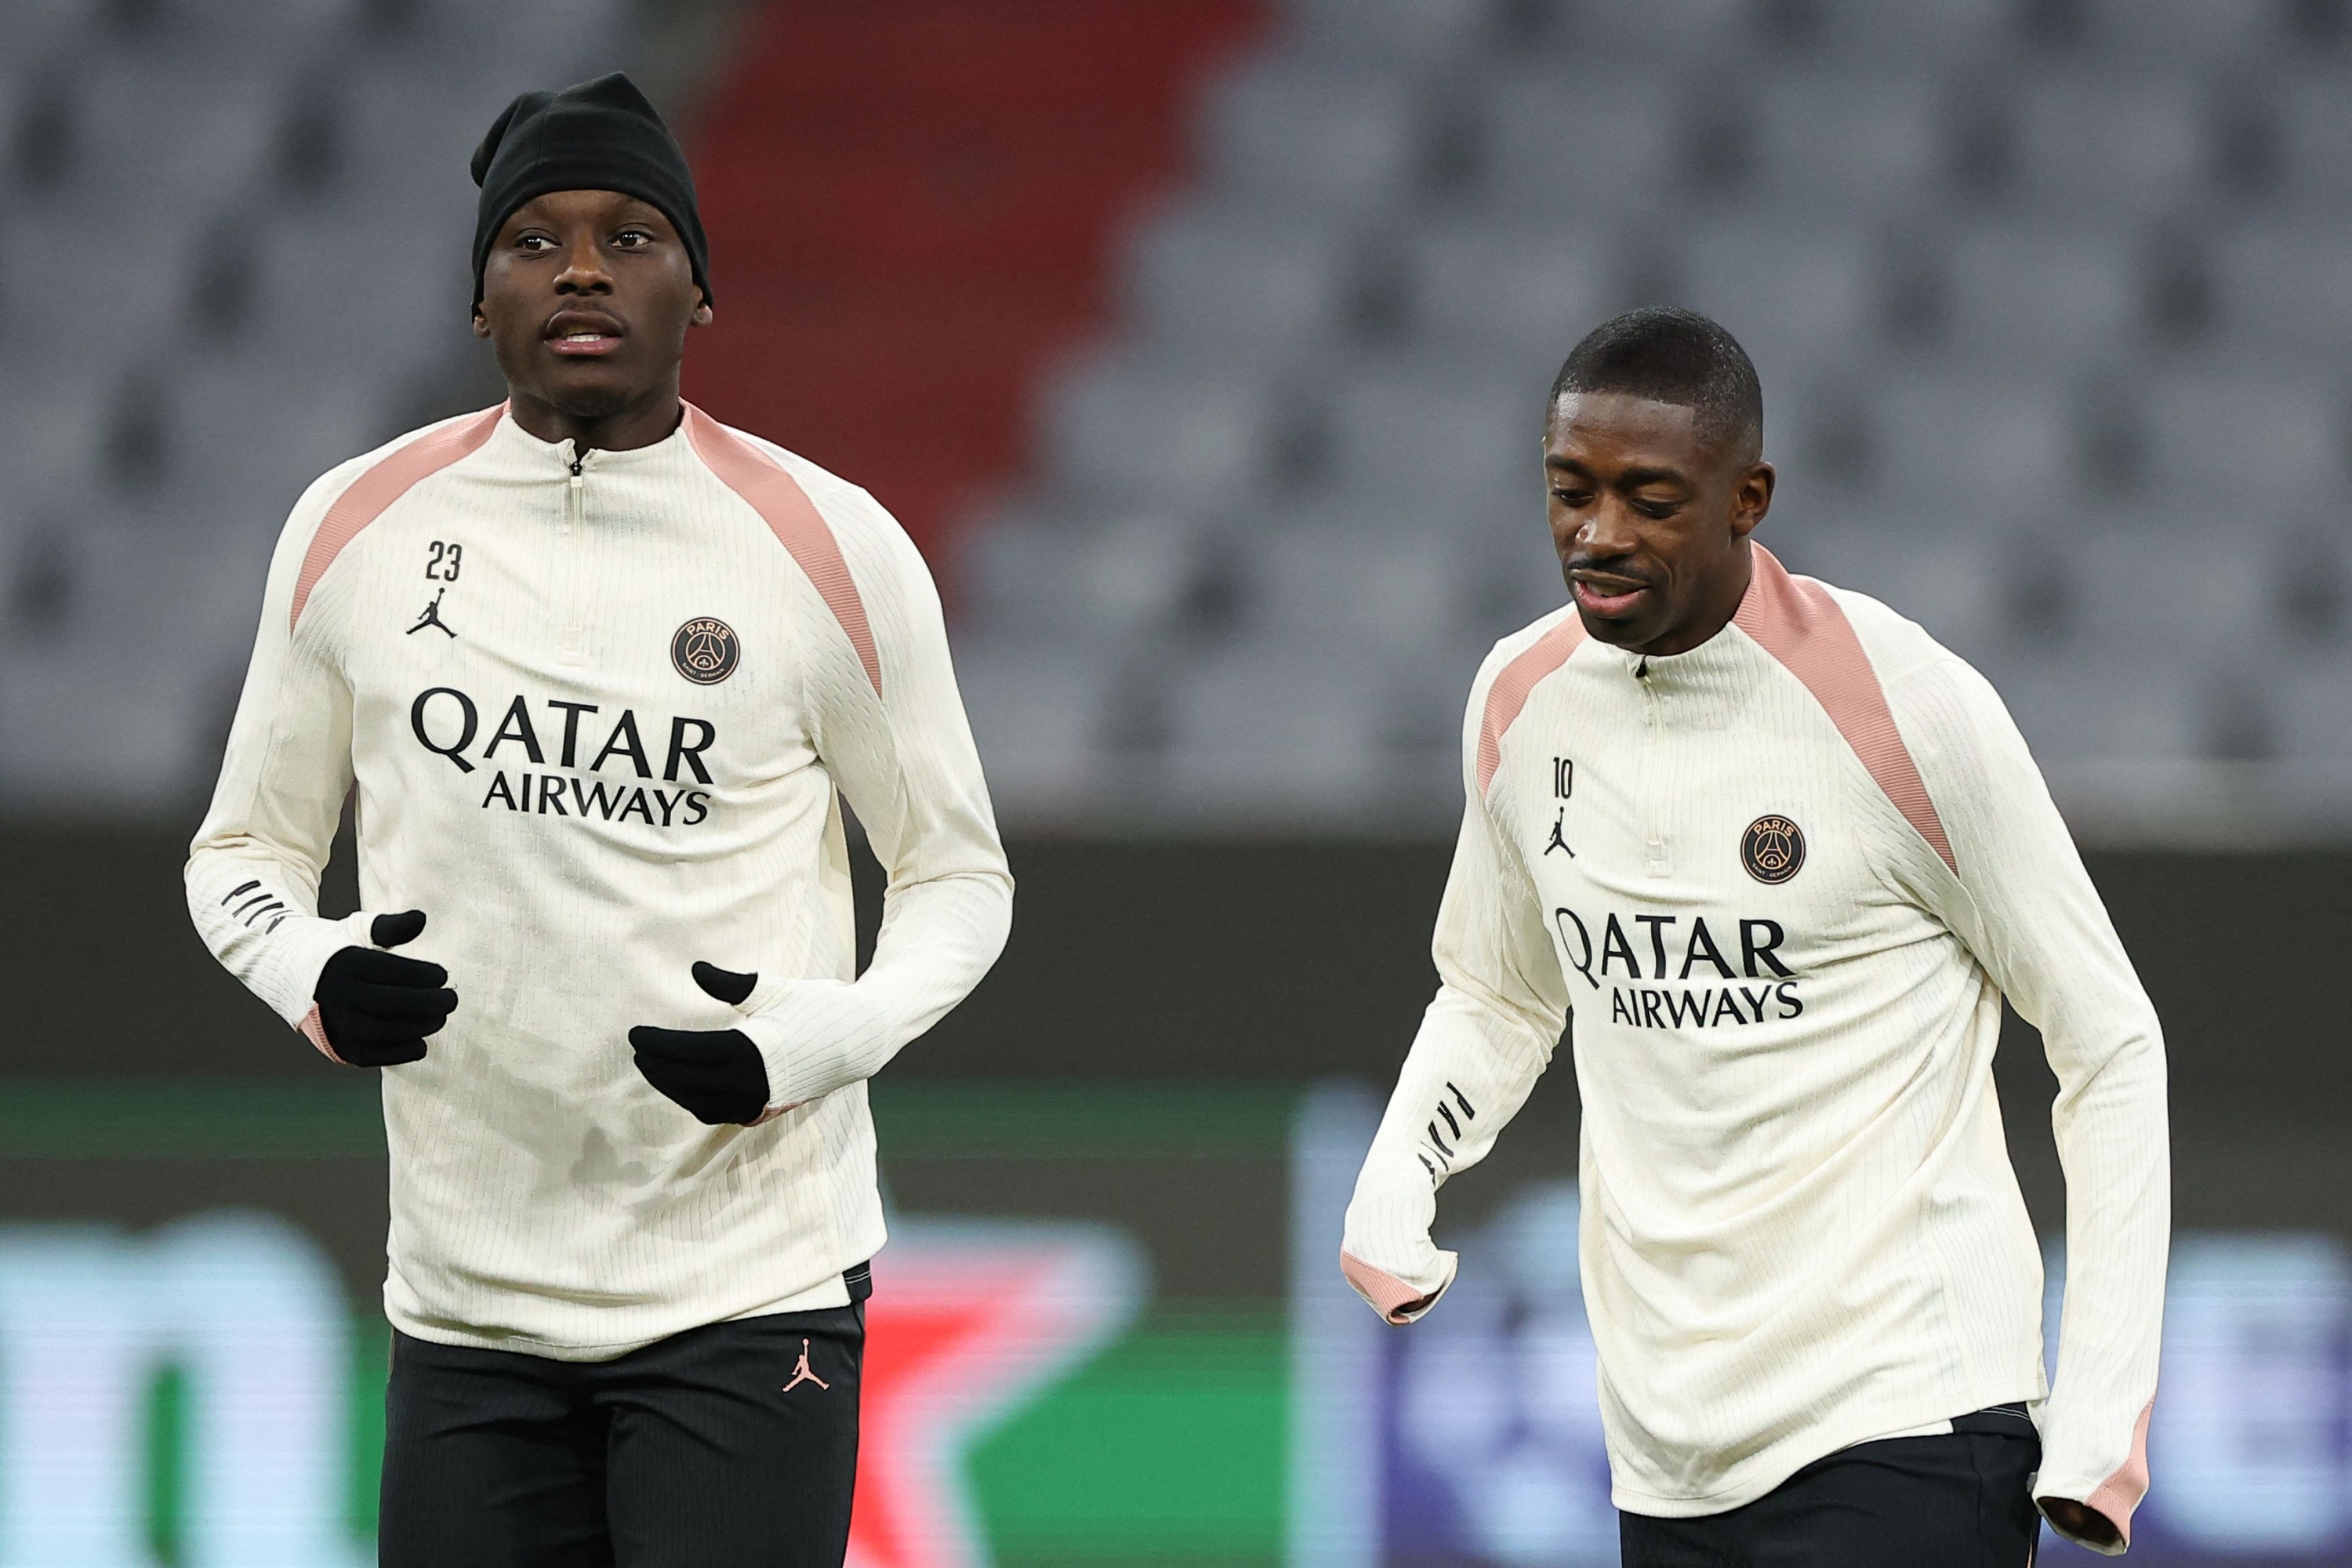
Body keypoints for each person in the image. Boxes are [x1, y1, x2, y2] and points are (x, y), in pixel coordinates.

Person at [185, 74, 1011, 1566]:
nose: (579, 268)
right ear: (477, 297)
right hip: (465, 1311)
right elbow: (242, 855)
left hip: (747, 1301)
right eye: (535, 241)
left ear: (701, 289)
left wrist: (808, 1046)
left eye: (630, 235)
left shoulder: (829, 548)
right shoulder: (353, 530)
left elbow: (961, 881)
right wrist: (308, 974)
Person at [1340, 307, 2166, 1563]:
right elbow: (1501, 993)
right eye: (1571, 492)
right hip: (1667, 1453)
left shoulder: (1905, 704)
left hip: (1909, 1411)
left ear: (1748, 498)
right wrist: (1399, 1179)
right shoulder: (1520, 701)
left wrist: (2102, 1406)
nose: (1598, 535)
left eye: (1651, 500)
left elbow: (2108, 1040)